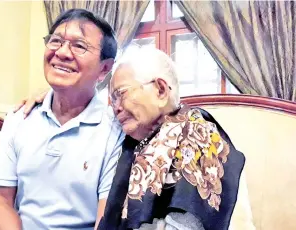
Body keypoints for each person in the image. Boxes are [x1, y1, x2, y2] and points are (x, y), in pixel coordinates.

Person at [20, 47, 246, 230]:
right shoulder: (133, 137)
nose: (116, 107)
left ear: (160, 90)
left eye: (121, 94)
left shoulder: (198, 133)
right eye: (111, 99)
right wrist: (53, 98)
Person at [0, 9, 123, 230]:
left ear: (104, 68)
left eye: (79, 46)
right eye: (56, 41)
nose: (62, 52)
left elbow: (105, 219)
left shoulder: (115, 130)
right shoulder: (19, 118)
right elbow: (1, 203)